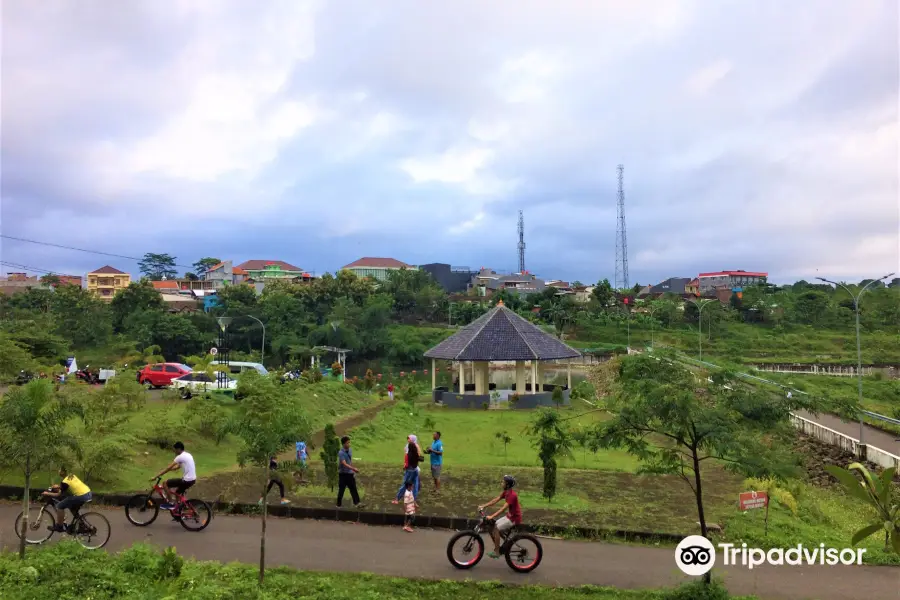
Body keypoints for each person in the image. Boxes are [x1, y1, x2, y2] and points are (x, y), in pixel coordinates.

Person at [478, 475, 522, 559]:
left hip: (514, 519)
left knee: (496, 528)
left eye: (503, 482)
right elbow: (495, 500)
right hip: (509, 516)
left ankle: (497, 552)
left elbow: (503, 509)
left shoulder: (512, 495)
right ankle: (502, 546)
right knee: (491, 526)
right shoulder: (506, 492)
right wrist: (483, 506)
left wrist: (492, 516)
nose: (501, 483)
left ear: (507, 485)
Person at [42, 467, 92, 532]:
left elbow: (58, 495)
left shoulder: (64, 482)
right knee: (72, 507)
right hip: (88, 493)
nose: (58, 471)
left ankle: (59, 526)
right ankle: (82, 524)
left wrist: (47, 493)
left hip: (81, 496)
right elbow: (71, 485)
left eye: (60, 469)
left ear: (63, 472)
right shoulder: (71, 475)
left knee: (60, 506)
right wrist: (59, 487)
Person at [153, 441, 197, 511]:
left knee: (165, 483)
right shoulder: (188, 454)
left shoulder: (180, 457)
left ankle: (170, 503)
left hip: (186, 480)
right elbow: (178, 466)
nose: (174, 451)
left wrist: (155, 476)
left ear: (179, 449)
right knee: (177, 493)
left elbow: (168, 467)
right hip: (192, 480)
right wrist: (170, 469)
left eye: (175, 449)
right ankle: (180, 511)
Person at [393, 434, 422, 504]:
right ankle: (414, 501)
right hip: (415, 469)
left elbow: (407, 461)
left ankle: (397, 499)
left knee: (405, 484)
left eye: (409, 438)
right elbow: (418, 458)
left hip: (410, 470)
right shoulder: (416, 451)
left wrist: (405, 466)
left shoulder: (409, 454)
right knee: (415, 485)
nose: (408, 440)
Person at [337, 436, 364, 508]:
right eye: (347, 443)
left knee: (353, 488)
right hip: (342, 474)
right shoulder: (341, 453)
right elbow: (344, 463)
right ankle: (338, 505)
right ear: (343, 444)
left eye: (349, 442)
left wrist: (352, 470)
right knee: (341, 490)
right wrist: (354, 469)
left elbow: (350, 460)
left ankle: (357, 503)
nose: (349, 444)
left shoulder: (350, 450)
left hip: (349, 473)